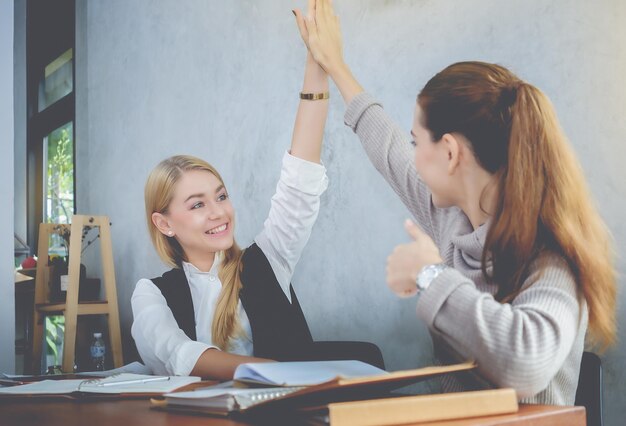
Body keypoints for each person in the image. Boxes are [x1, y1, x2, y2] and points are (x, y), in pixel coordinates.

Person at [294, 0, 617, 405]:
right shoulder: (454, 219)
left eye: (418, 142)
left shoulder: (550, 256)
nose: (411, 155)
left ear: (449, 153)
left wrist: (430, 275)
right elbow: (387, 148)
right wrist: (335, 65)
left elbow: (524, 365)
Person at [132, 26, 382, 380]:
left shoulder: (269, 260)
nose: (219, 212)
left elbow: (300, 182)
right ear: (164, 223)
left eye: (221, 196)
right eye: (197, 204)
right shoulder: (150, 294)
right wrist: (276, 372)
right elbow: (173, 353)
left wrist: (317, 62)